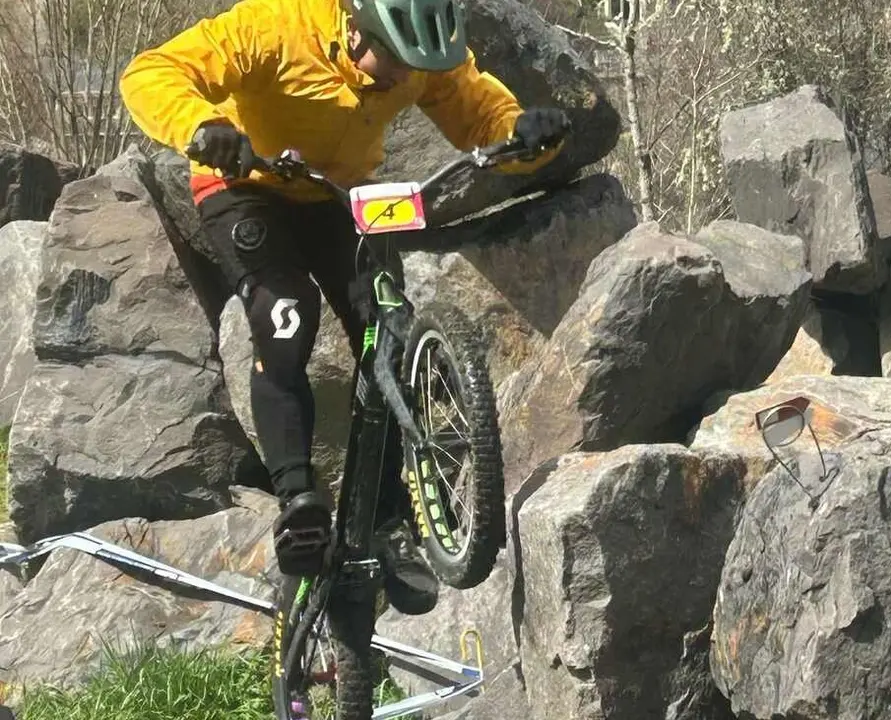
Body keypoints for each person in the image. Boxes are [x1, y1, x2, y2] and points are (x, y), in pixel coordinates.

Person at [118, 0, 570, 615]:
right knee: (289, 311)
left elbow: (477, 108)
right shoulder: (274, 26)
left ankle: (390, 522)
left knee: (384, 328)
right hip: (244, 186)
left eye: (410, 72)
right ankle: (298, 502)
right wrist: (202, 126)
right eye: (390, 67)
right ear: (357, 29)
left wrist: (524, 135)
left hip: (336, 194)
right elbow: (151, 72)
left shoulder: (419, 57)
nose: (397, 82)